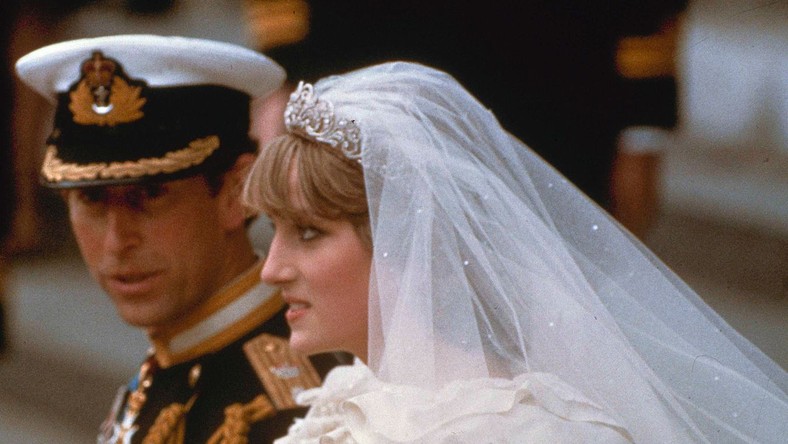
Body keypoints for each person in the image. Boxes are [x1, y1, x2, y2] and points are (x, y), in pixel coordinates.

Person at [243, 62, 788, 442]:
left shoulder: (527, 432)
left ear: (400, 241)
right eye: (274, 230)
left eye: (308, 233)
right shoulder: (345, 402)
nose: (272, 269)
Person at [15, 34, 338, 443]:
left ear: (237, 192)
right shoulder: (179, 355)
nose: (116, 242)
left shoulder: (295, 413)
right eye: (92, 199)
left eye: (150, 196)